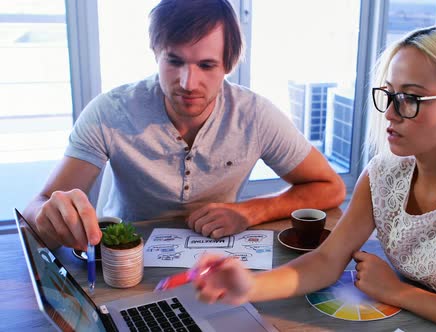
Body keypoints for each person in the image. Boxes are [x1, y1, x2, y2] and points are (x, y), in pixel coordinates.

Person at [191, 24, 436, 330]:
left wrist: (398, 292)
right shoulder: (386, 170)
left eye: (410, 98)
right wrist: (248, 287)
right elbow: (327, 260)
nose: (390, 113)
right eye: (389, 94)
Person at [23, 0, 345, 251]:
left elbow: (331, 187)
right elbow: (38, 207)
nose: (188, 83)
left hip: (214, 262)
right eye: (174, 61)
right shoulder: (110, 111)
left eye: (206, 65)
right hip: (123, 257)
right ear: (156, 54)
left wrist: (250, 212)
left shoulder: (255, 115)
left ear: (228, 66)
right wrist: (51, 217)